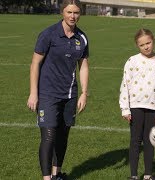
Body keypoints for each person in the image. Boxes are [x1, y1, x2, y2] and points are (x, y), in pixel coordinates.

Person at [26, 0, 89, 179]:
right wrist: (33, 92)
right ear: (62, 12)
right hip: (47, 94)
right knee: (49, 136)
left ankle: (57, 173)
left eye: (76, 12)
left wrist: (84, 93)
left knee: (63, 136)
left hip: (69, 94)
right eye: (69, 12)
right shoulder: (48, 34)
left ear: (80, 14)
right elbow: (35, 64)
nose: (72, 16)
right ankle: (47, 178)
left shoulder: (82, 38)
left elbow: (83, 66)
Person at [119, 28, 155, 180]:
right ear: (137, 46)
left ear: (153, 41)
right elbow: (125, 85)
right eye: (142, 45)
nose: (146, 47)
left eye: (148, 43)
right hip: (135, 106)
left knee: (150, 141)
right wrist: (125, 109)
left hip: (153, 107)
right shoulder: (132, 61)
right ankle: (134, 175)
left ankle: (148, 175)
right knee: (135, 141)